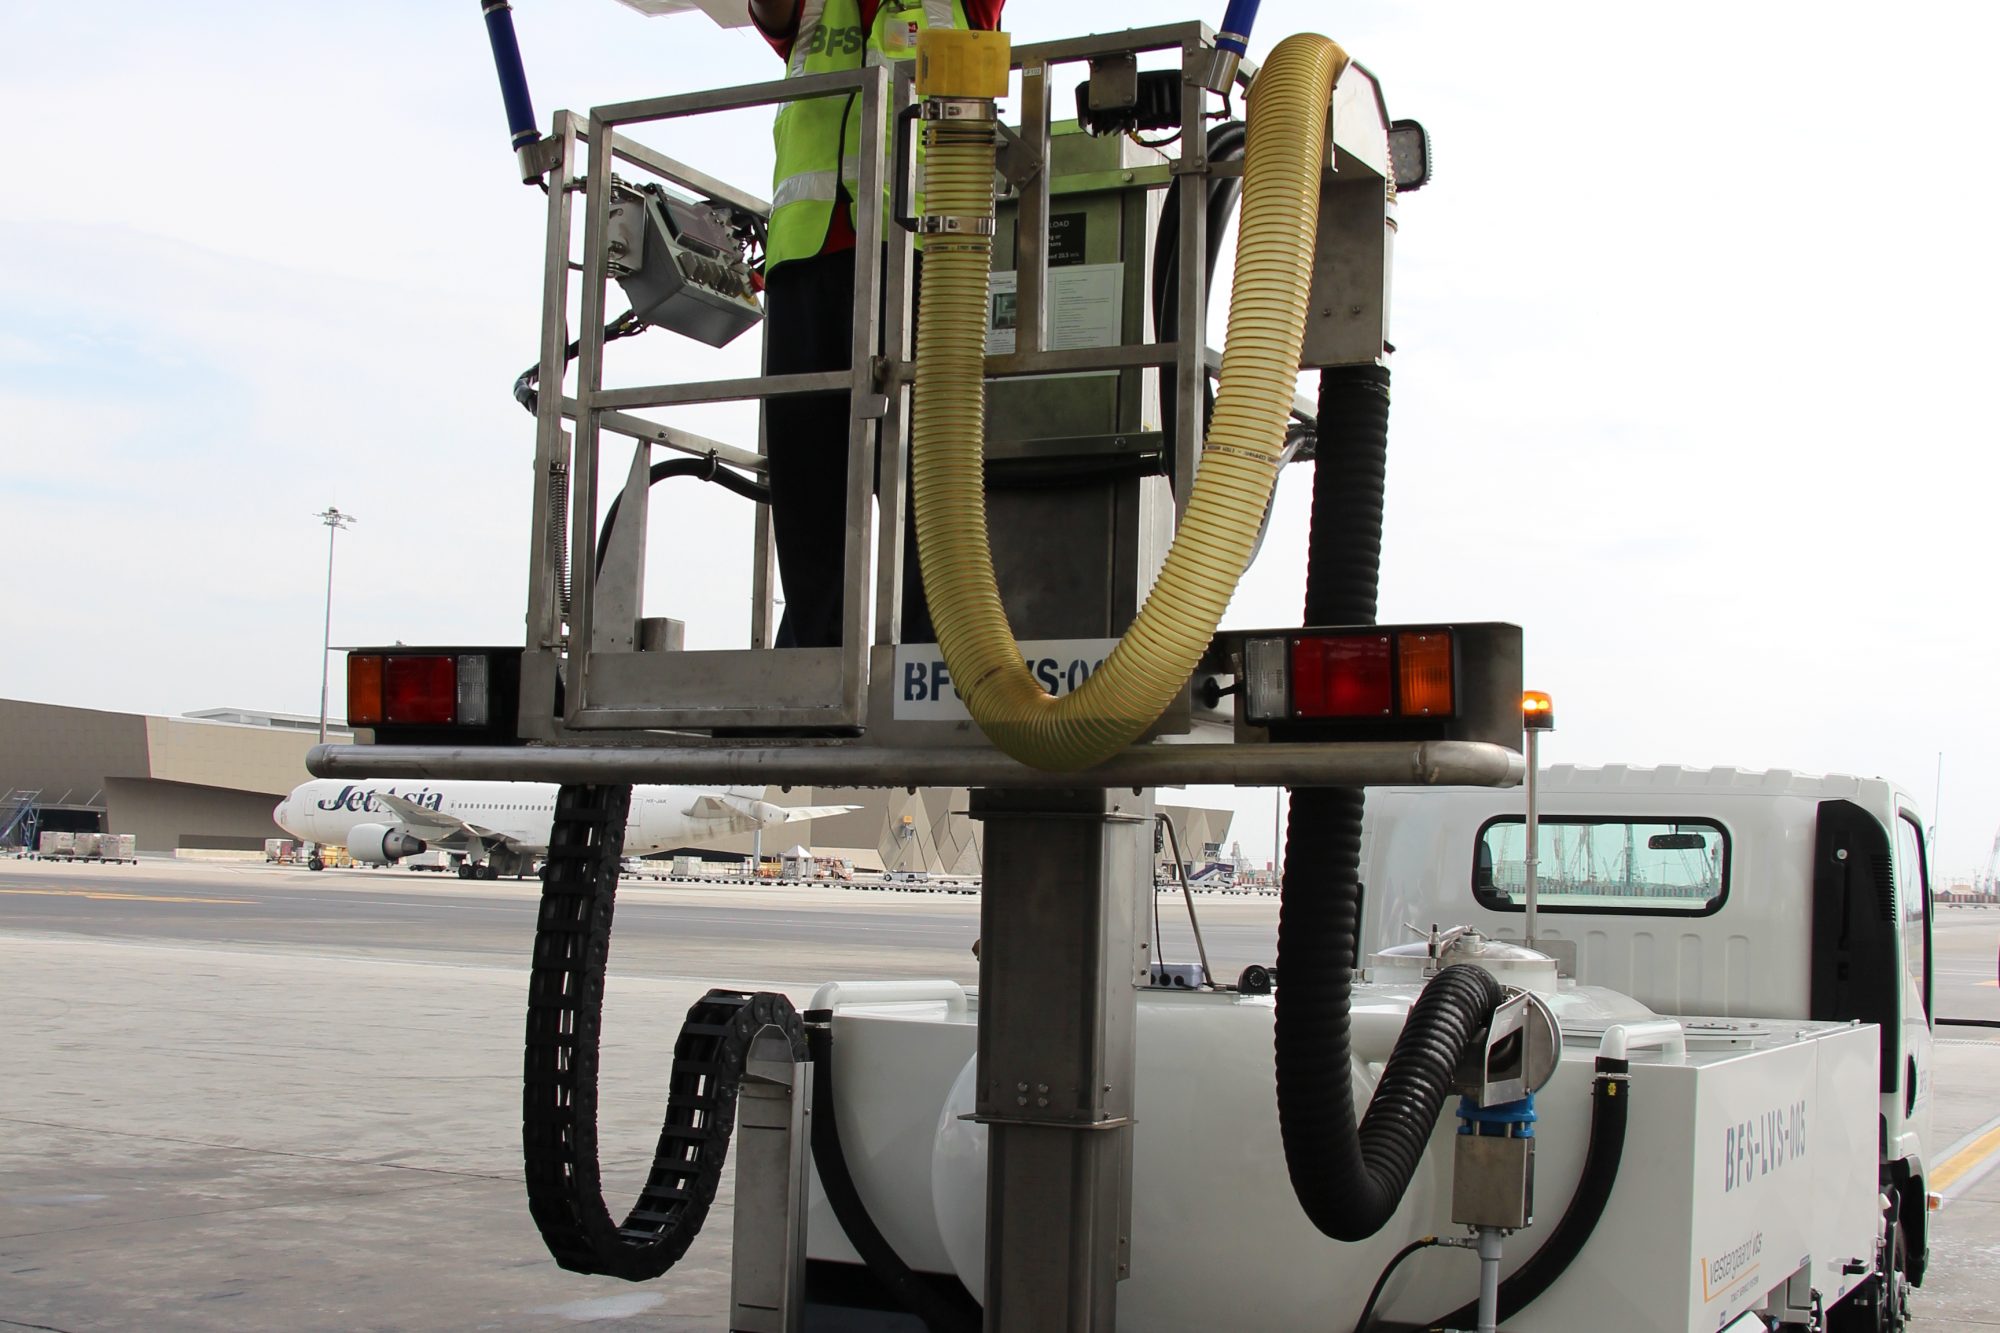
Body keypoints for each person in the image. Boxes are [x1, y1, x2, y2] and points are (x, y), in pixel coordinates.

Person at [748, 0, 1005, 648]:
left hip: (920, 254)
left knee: (927, 485)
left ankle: (931, 666)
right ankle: (813, 661)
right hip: (806, 256)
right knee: (807, 483)